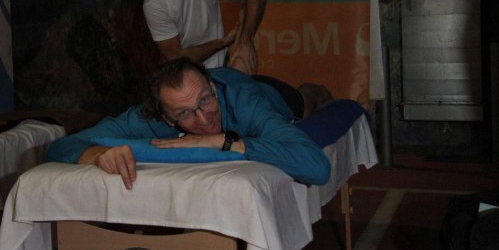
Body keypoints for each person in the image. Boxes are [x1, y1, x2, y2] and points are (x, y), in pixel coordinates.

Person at [45, 57, 331, 189]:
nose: (204, 119)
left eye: (205, 100)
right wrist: (96, 154)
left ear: (212, 88)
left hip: (269, 92)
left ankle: (318, 90)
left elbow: (318, 168)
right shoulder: (149, 116)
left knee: (306, 98)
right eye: (185, 114)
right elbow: (60, 147)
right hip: (216, 80)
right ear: (166, 117)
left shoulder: (247, 105)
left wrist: (225, 141)